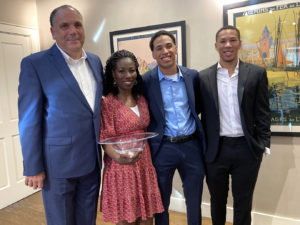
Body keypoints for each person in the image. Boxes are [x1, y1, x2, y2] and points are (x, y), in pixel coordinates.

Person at [18, 5, 103, 225]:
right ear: (53, 32)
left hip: (92, 162)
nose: (72, 30)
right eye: (64, 26)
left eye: (77, 24)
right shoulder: (35, 64)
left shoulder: (95, 61)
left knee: (87, 220)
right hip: (58, 166)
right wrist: (33, 166)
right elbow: (29, 120)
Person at [198, 25, 271, 225]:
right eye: (223, 41)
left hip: (247, 150)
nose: (227, 45)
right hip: (216, 150)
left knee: (243, 203)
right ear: (216, 45)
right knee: (217, 201)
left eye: (232, 40)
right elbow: (195, 113)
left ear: (239, 43)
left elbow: (263, 112)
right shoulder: (203, 78)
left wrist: (263, 144)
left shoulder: (256, 73)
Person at [142, 30, 206, 225]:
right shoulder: (145, 81)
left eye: (169, 46)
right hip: (163, 148)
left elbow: (199, 107)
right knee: (161, 202)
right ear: (153, 53)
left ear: (176, 48)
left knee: (194, 200)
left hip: (192, 146)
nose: (165, 51)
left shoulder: (192, 76)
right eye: (159, 48)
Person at [99, 50, 164, 225]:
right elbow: (105, 140)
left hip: (144, 164)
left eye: (132, 70)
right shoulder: (108, 103)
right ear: (113, 74)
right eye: (121, 71)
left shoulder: (142, 98)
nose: (128, 75)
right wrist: (120, 158)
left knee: (146, 219)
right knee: (127, 220)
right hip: (121, 168)